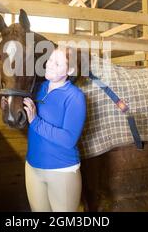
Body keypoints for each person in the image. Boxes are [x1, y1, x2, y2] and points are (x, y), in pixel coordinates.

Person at [22, 46, 87, 212]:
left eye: (57, 63)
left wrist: (35, 121)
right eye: (50, 59)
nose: (49, 65)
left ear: (70, 70)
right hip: (32, 168)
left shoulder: (75, 97)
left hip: (61, 171)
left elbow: (68, 140)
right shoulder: (38, 88)